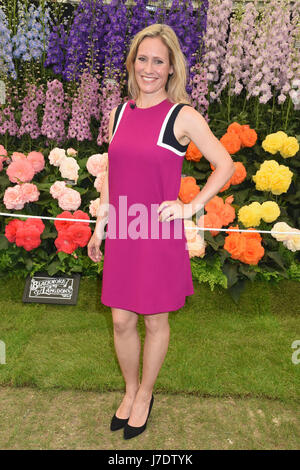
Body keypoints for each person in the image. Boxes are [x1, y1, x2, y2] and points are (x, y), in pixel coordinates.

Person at [88, 23, 235, 440]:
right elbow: (114, 173)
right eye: (142, 58)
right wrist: (102, 224)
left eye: (159, 61)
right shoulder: (121, 111)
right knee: (120, 321)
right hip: (123, 230)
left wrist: (190, 206)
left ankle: (146, 394)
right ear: (132, 63)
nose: (149, 68)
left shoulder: (182, 115)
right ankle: (130, 389)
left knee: (154, 320)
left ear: (171, 68)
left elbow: (224, 165)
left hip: (156, 233)